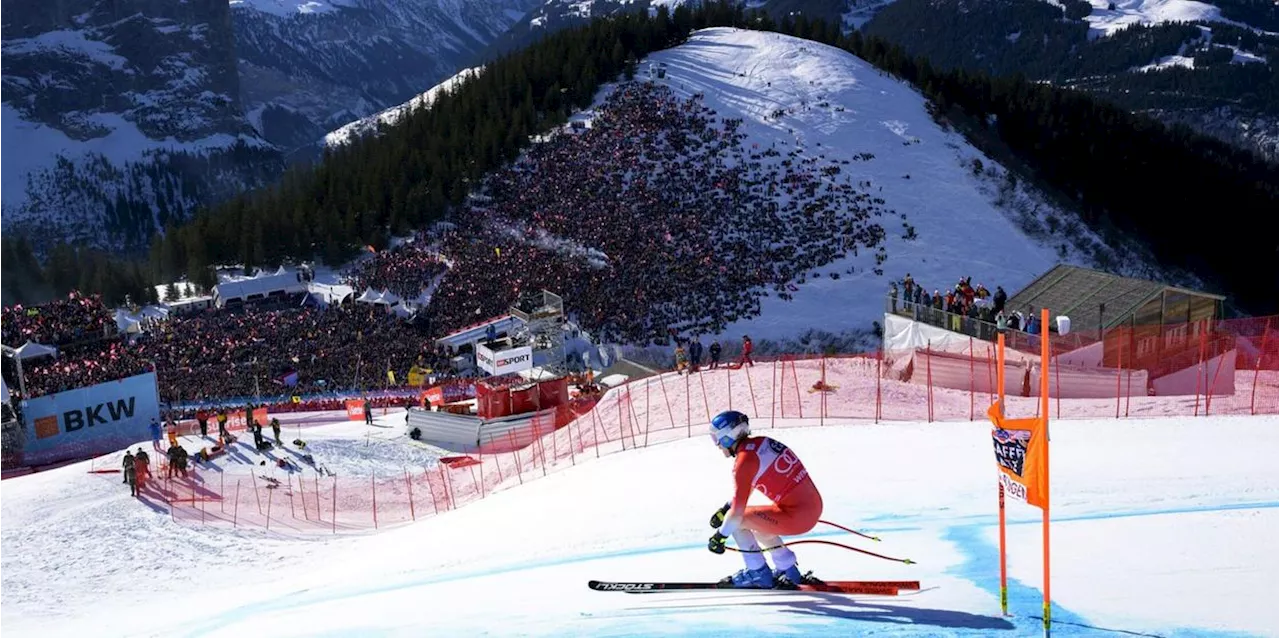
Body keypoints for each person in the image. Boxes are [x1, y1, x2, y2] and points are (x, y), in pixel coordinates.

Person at [706, 410, 823, 589]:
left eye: (716, 439)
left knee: (738, 522)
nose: (717, 445)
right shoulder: (761, 444)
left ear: (728, 437)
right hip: (809, 508)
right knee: (756, 520)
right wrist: (726, 508)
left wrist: (720, 536)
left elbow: (737, 513)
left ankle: (758, 573)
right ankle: (787, 569)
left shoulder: (744, 461)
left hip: (797, 516)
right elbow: (750, 485)